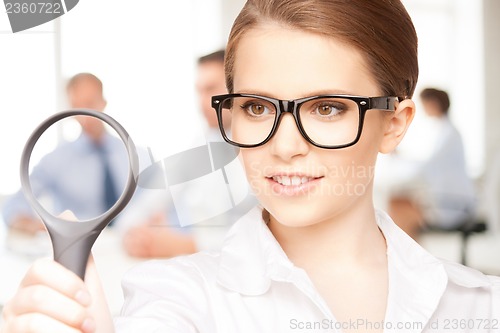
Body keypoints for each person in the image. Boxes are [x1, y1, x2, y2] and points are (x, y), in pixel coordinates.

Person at [2, 1, 499, 332]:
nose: (283, 146)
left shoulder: (482, 308)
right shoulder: (173, 298)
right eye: (258, 108)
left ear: (394, 123)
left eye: (327, 108)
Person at [120, 50, 255, 258]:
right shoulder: (203, 143)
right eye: (199, 91)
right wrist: (134, 235)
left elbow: (268, 235)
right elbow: (148, 203)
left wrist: (186, 246)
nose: (202, 102)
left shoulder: (265, 147)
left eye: (210, 89)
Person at [1, 73, 138, 234]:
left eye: (90, 103)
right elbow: (14, 206)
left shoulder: (134, 155)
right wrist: (36, 225)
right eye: (77, 106)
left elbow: (155, 204)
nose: (84, 114)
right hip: (77, 247)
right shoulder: (56, 160)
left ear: (103, 103)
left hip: (132, 248)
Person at [384, 88, 476, 240]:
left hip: (453, 203)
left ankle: (408, 259)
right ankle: (409, 258)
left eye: (424, 103)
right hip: (447, 199)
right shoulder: (444, 131)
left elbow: (427, 168)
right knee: (399, 203)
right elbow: (429, 165)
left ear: (434, 103)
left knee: (400, 206)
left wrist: (399, 156)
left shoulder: (449, 134)